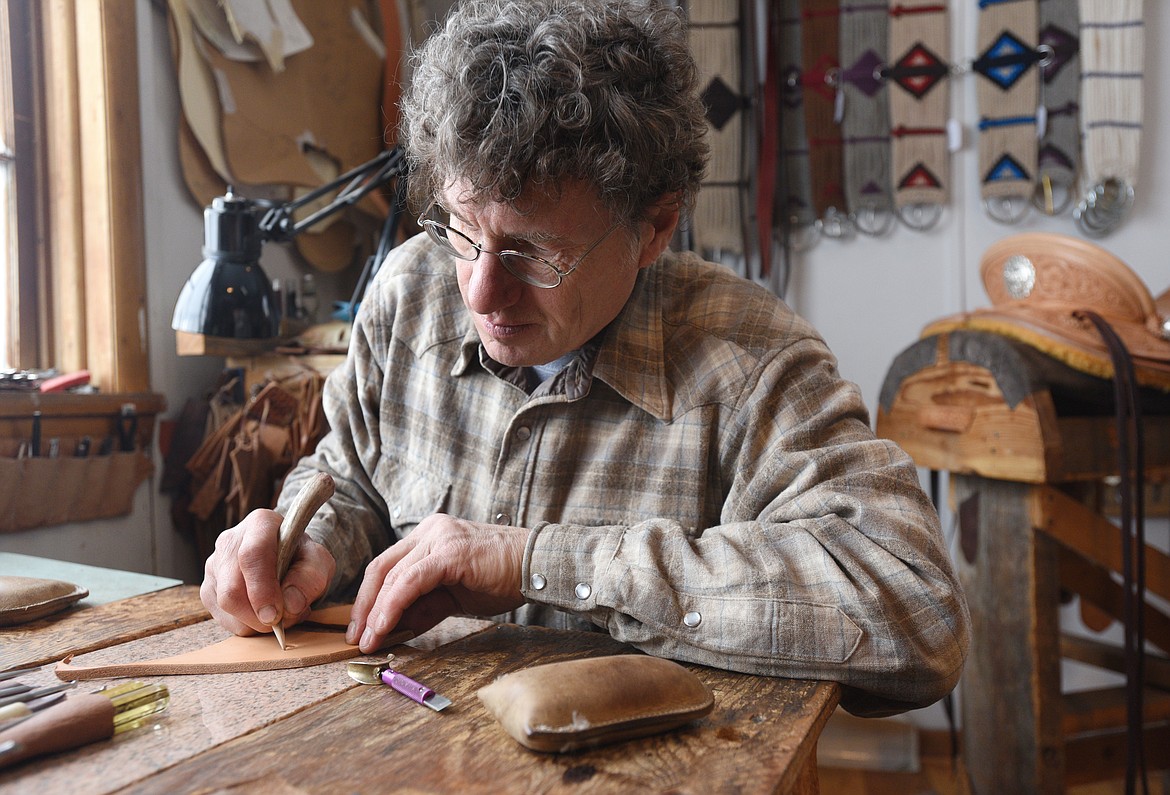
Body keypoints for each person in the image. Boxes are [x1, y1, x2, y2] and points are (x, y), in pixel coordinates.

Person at [201, 0, 970, 717]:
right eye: (464, 230)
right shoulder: (409, 294)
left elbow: (914, 611)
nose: (480, 291)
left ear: (656, 227)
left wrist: (538, 561)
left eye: (535, 253)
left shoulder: (751, 363)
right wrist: (306, 547)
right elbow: (356, 477)